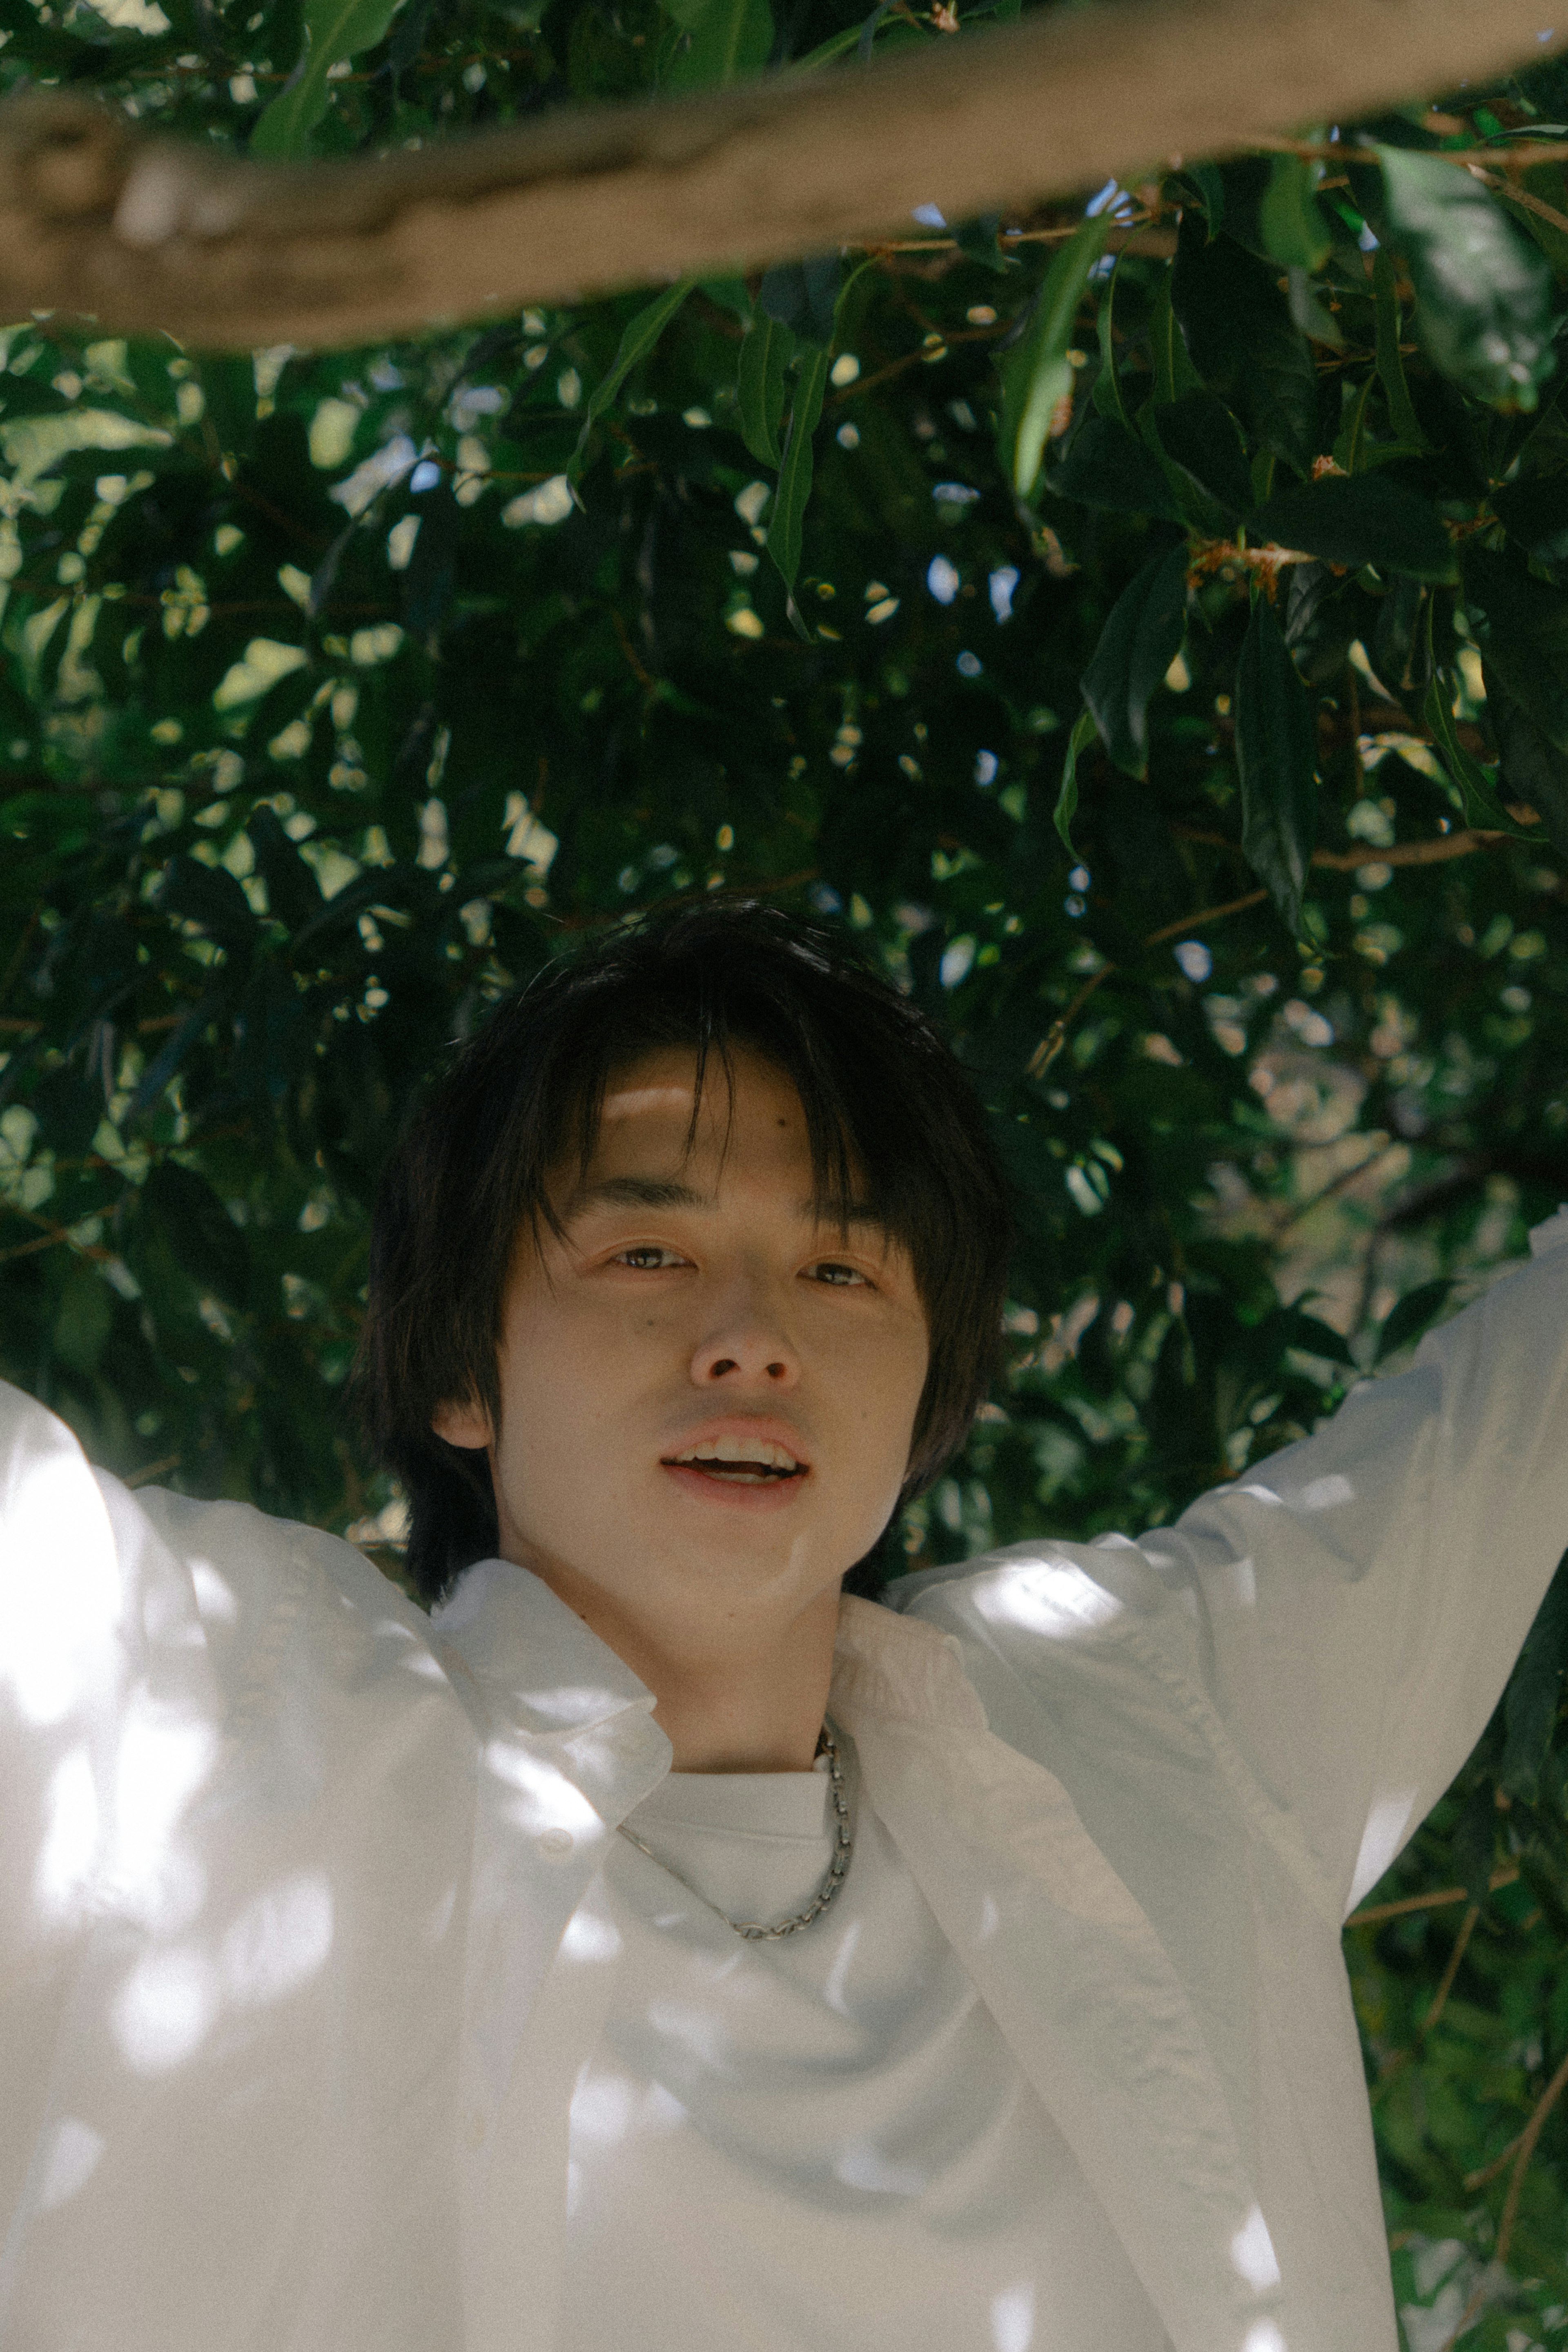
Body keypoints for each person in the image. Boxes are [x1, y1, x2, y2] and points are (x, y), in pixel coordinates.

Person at [1, 903, 1565, 2352]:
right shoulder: (228, 1720)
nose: (751, 1340)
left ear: (931, 1395)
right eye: (648, 1254)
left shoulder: (1144, 1727)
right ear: (458, 1374)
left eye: (839, 1267)